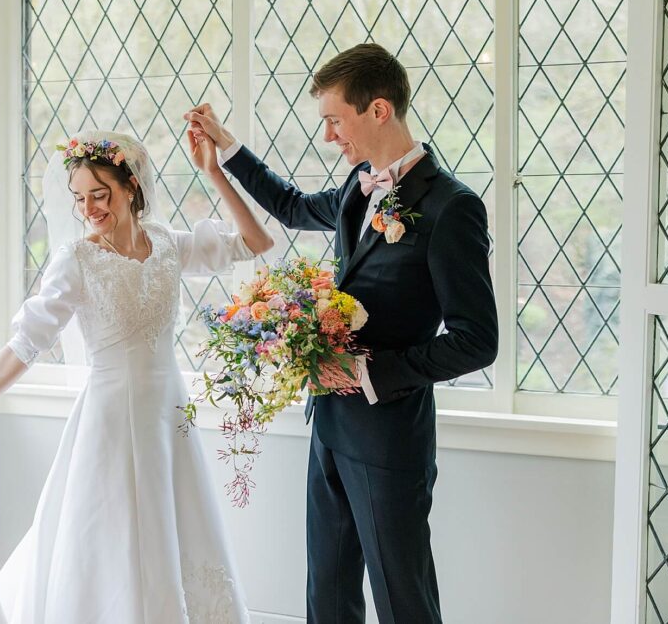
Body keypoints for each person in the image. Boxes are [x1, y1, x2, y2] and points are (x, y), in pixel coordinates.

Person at [0, 128, 273, 623]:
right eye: (79, 198)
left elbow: (256, 241)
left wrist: (213, 170)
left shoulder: (167, 245)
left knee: (175, 528)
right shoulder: (75, 261)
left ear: (132, 187)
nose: (88, 209)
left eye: (100, 195)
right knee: (109, 541)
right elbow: (23, 346)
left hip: (169, 417)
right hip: (109, 421)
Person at [185, 42, 498, 624]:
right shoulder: (359, 184)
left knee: (403, 600)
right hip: (328, 425)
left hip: (389, 440)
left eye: (334, 119)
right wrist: (225, 148)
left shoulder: (452, 208)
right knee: (326, 596)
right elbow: (294, 206)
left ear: (378, 111)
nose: (329, 135)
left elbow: (477, 340)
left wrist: (363, 371)